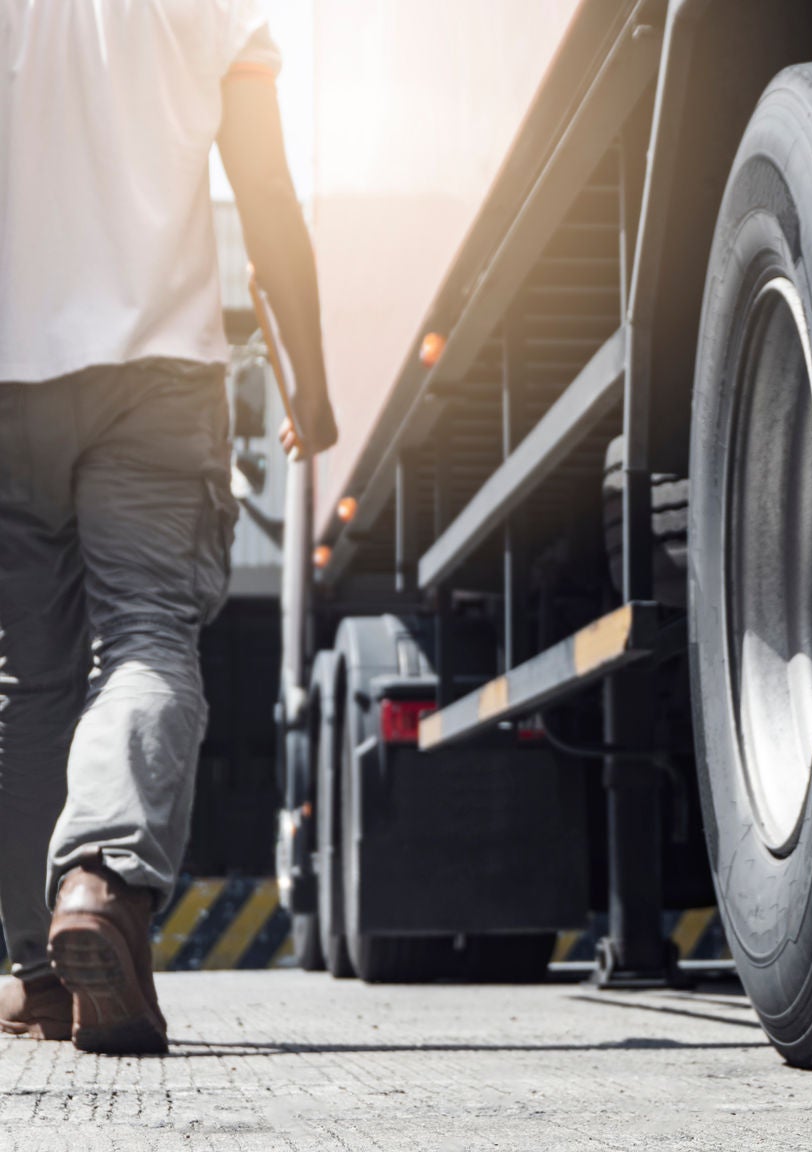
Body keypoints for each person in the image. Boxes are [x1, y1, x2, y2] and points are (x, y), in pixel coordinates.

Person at [0, 0, 335, 1055]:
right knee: (145, 635)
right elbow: (267, 189)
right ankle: (100, 879)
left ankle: (38, 974)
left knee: (28, 677)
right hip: (157, 376)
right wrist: (309, 376)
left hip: (7, 379)